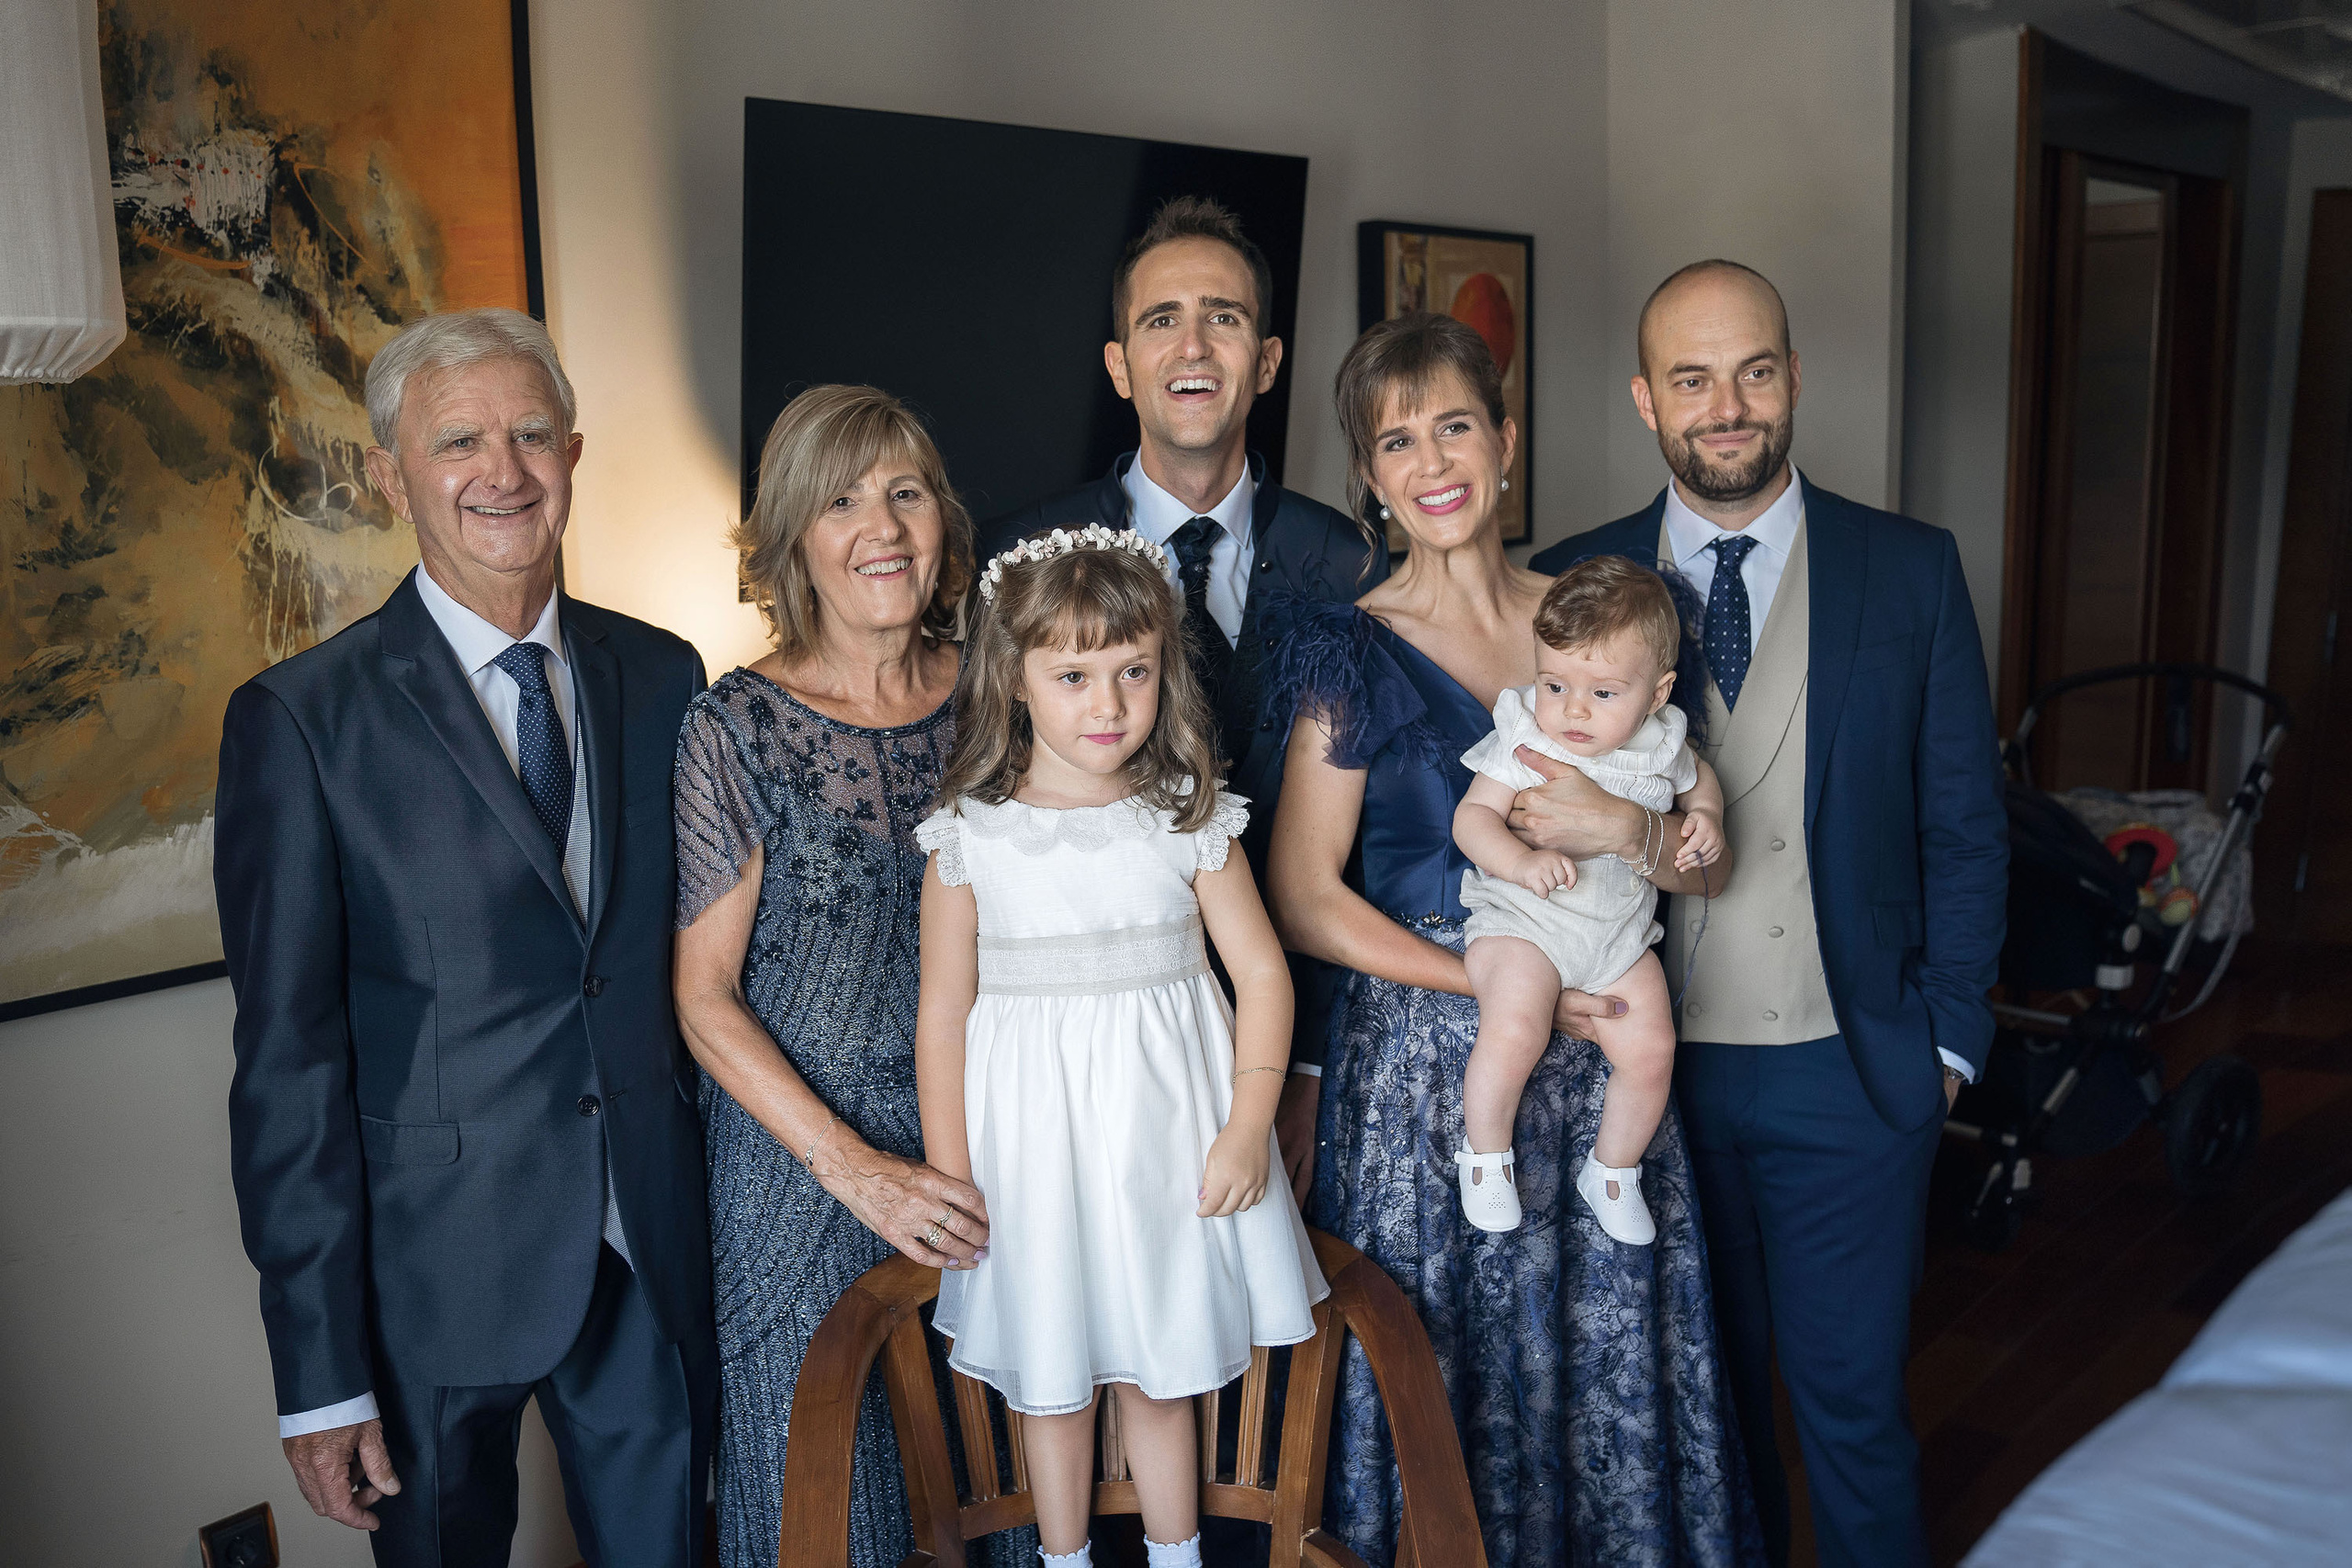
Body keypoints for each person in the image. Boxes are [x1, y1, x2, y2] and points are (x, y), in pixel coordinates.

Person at [215, 308, 718, 1565]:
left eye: (532, 434)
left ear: (573, 454)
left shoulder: (664, 674)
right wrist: (319, 1377)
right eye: (458, 442)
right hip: (431, 1277)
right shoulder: (301, 721)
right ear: (390, 475)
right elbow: (286, 1067)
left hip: (644, 1245)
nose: (504, 470)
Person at [1526, 260, 2007, 1568]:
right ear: (1646, 399)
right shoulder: (1567, 583)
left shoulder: (1908, 569)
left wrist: (1946, 1041)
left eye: (1751, 371)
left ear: (1792, 377)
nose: (1726, 405)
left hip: (1850, 1069)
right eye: (1691, 379)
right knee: (1703, 1426)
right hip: (1641, 1082)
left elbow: (1966, 824)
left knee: (1852, 1416)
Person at [1263, 312, 1760, 1568]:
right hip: (1434, 1069)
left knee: (1601, 1369)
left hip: (1606, 1055)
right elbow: (1304, 895)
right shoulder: (1347, 648)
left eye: (1455, 426)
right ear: (1368, 477)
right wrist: (1489, 987)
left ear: (1506, 440)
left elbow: (1703, 856)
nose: (1432, 462)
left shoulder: (1610, 623)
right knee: (1453, 1374)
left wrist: (1636, 835)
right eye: (1397, 441)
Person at [914, 526, 1327, 1568]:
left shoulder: (1186, 817)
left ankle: (1175, 1554)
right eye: (1074, 676)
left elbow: (1263, 974)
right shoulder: (970, 835)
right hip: (1032, 1158)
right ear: (1014, 679)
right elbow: (943, 1013)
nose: (1108, 704)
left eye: (1133, 671)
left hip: (1165, 1148)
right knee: (1053, 1378)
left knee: (1159, 1369)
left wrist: (1248, 1125)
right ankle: (1063, 1559)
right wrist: (952, 1176)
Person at [670, 385, 1029, 1568]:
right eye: (841, 502)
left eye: (905, 493)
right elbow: (703, 996)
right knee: (839, 1520)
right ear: (792, 540)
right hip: (801, 1183)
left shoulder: (1007, 693)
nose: (882, 528)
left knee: (1017, 1498)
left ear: (942, 521)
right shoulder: (733, 728)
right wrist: (859, 1172)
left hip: (993, 1158)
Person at [978, 195, 1386, 1106]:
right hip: (1082, 1060)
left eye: (1223, 318)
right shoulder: (1021, 558)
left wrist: (1307, 1067)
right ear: (1120, 366)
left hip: (1304, 1056)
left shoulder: (1354, 566)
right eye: (1162, 320)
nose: (1193, 346)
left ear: (1267, 362)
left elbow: (1376, 839)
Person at [1450, 558, 1724, 1236]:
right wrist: (1519, 860)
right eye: (1555, 684)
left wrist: (1707, 817)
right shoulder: (1525, 736)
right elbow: (1472, 819)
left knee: (1653, 1048)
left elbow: (1699, 779)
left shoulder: (1662, 742)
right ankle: (1484, 1158)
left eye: (1603, 692)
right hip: (1524, 926)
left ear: (1657, 693)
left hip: (1616, 940)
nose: (1573, 709)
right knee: (1515, 1026)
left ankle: (1612, 1170)